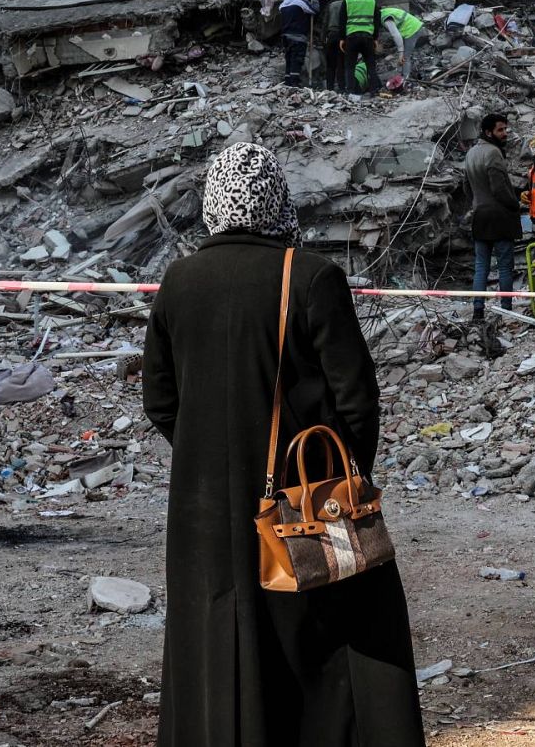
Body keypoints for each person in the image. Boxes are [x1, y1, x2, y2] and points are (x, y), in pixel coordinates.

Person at [142, 143, 424, 747]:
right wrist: (337, 479)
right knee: (326, 642)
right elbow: (356, 399)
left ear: (214, 203)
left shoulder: (179, 280)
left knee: (219, 640)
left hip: (203, 511)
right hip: (301, 507)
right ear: (276, 197)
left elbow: (160, 402)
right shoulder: (312, 276)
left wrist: (206, 456)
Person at [465, 112, 522, 322]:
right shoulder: (493, 153)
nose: (505, 133)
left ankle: (477, 311)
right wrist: (514, 204)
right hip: (498, 216)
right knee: (505, 266)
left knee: (481, 266)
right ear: (489, 132)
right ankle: (506, 309)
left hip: (479, 215)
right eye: (500, 130)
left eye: (505, 129)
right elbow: (499, 188)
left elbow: (466, 186)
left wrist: (475, 204)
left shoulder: (471, 153)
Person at [340, 0, 382, 95]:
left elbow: (342, 21)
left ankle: (351, 92)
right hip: (367, 38)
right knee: (370, 65)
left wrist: (342, 38)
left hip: (352, 38)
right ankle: (374, 90)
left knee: (350, 66)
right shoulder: (372, 0)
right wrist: (375, 38)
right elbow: (377, 21)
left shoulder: (347, 0)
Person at [279, 0, 320, 87]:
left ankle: (288, 82)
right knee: (296, 60)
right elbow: (315, 10)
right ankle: (294, 84)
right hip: (297, 36)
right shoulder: (300, 3)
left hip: (285, 37)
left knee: (289, 59)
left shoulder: (282, 6)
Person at [379, 5, 425, 83]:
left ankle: (405, 80)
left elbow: (395, 34)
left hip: (412, 30)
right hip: (412, 27)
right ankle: (401, 74)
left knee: (405, 57)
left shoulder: (385, 18)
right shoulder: (384, 12)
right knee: (402, 55)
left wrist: (401, 52)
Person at [322, 0, 348, 92]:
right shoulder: (347, 4)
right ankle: (342, 88)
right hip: (343, 36)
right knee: (341, 63)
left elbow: (325, 22)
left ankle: (329, 88)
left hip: (331, 35)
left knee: (330, 65)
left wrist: (323, 38)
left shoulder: (331, 5)